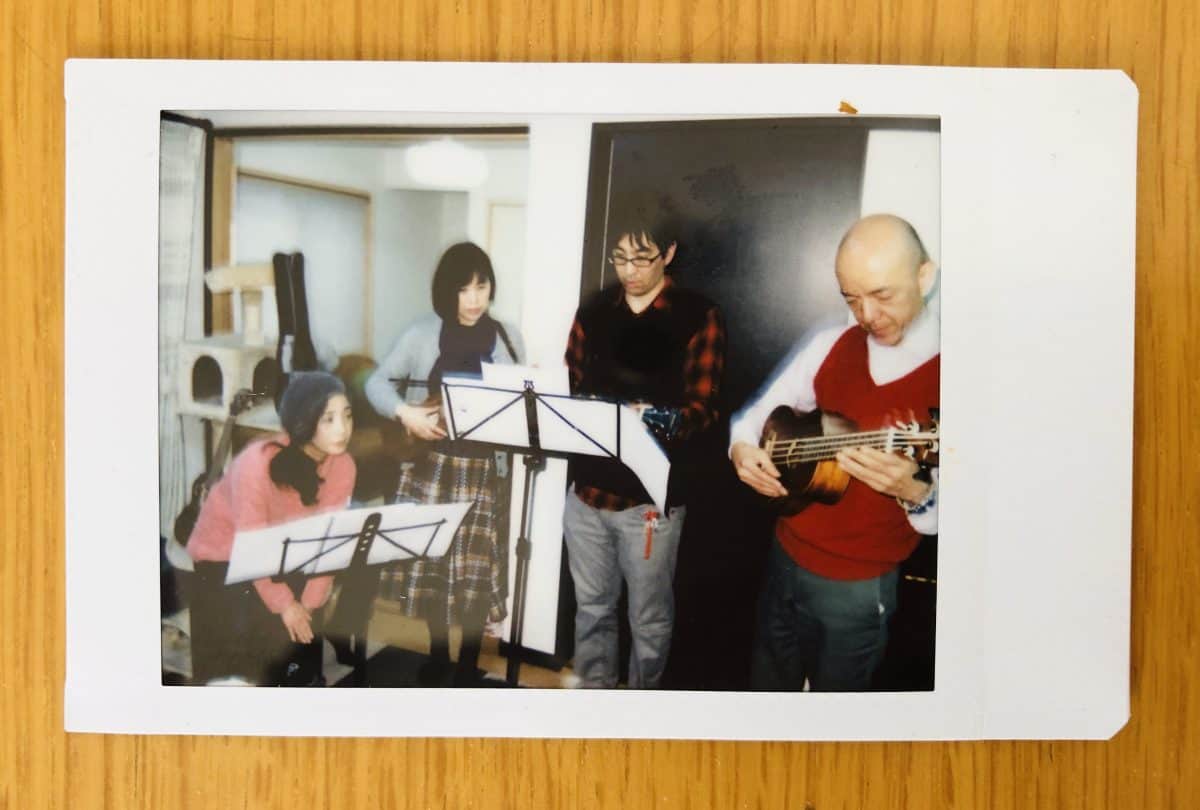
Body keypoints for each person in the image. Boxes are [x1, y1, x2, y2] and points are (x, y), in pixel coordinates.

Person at [729, 213, 939, 692]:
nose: (865, 315)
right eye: (851, 298)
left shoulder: (957, 372)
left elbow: (956, 513)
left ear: (924, 276)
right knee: (767, 690)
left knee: (837, 716)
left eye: (882, 295)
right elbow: (756, 414)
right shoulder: (830, 344)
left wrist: (913, 490)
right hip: (783, 556)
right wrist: (742, 449)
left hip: (858, 588)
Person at [563, 194, 726, 689]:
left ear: (668, 253)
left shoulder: (698, 314)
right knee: (591, 610)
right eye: (620, 257)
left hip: (650, 504)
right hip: (588, 494)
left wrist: (651, 417)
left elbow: (704, 408)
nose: (629, 270)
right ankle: (596, 701)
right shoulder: (594, 309)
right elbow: (568, 384)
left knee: (649, 622)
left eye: (642, 258)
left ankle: (640, 711)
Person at [365, 242, 524, 686]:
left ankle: (469, 666)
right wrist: (406, 413)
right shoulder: (421, 333)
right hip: (429, 467)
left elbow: (515, 404)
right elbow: (375, 383)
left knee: (474, 573)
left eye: (482, 286)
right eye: (463, 289)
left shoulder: (508, 337)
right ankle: (438, 656)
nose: (474, 299)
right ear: (445, 291)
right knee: (432, 566)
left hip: (481, 472)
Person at [186, 371, 356, 686]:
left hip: (284, 553)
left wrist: (307, 604)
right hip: (224, 556)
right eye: (329, 419)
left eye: (347, 416)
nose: (343, 429)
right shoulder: (257, 463)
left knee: (299, 646)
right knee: (247, 661)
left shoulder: (343, 465)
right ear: (304, 422)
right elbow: (250, 546)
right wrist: (286, 605)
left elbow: (330, 544)